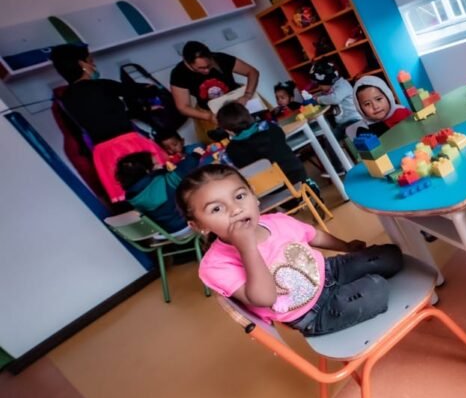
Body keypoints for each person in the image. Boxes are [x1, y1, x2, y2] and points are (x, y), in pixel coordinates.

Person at [178, 164, 403, 335]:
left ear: (254, 196)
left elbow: (315, 236)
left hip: (328, 272)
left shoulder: (276, 221)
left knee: (389, 255)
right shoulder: (215, 266)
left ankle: (352, 284)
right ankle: (356, 289)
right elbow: (265, 298)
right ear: (199, 226)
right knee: (376, 288)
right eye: (216, 209)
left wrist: (346, 247)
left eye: (239, 196)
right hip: (312, 313)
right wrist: (247, 248)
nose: (235, 209)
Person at [50, 43, 166, 203]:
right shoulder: (102, 85)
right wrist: (153, 89)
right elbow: (140, 92)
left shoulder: (65, 99)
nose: (94, 65)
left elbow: (100, 119)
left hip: (104, 154)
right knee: (160, 186)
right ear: (82, 64)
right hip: (129, 144)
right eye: (91, 61)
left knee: (134, 197)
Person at [216, 101, 320, 197]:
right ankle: (310, 192)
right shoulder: (270, 127)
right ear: (249, 116)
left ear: (228, 130)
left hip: (269, 193)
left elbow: (236, 173)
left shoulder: (228, 153)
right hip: (298, 177)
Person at [169, 40, 260, 141]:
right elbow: (182, 107)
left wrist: (247, 95)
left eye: (209, 65)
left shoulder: (220, 58)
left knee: (258, 131)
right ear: (187, 62)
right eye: (201, 68)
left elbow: (252, 72)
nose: (207, 70)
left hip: (239, 103)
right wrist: (208, 116)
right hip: (210, 112)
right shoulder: (179, 74)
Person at [115, 152, 190, 233]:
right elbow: (185, 169)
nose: (160, 165)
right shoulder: (164, 181)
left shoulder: (132, 197)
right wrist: (195, 155)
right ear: (147, 171)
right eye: (156, 164)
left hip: (170, 232)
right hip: (188, 224)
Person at [343, 76, 412, 140]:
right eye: (367, 104)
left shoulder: (402, 111)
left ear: (388, 96)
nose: (375, 107)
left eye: (378, 99)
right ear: (360, 108)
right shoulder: (364, 130)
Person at [308, 60, 361, 132]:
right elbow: (324, 94)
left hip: (354, 119)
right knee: (333, 134)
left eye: (319, 84)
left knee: (335, 135)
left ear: (327, 81)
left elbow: (335, 99)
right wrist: (312, 97)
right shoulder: (332, 86)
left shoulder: (343, 85)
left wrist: (317, 100)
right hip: (342, 122)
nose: (319, 87)